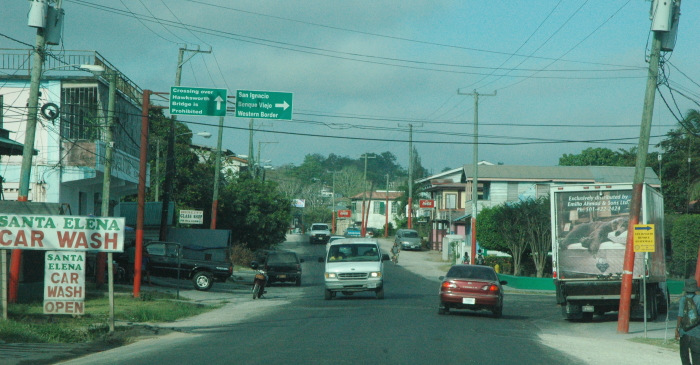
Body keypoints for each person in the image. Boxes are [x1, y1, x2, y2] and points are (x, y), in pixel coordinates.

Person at [678, 278, 700, 365]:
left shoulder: (683, 299)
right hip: (697, 333)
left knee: (684, 356)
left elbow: (680, 316)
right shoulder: (699, 299)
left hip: (684, 332)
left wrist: (677, 329)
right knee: (697, 357)